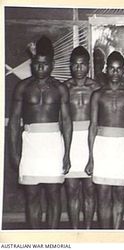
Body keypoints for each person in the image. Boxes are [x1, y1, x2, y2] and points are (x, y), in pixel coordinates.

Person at [8, 35, 72, 229]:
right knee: (32, 195)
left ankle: (52, 237)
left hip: (53, 144)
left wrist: (67, 154)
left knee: (54, 193)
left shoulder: (60, 88)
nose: (40, 68)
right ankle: (35, 238)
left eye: (44, 64)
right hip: (30, 145)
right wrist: (13, 152)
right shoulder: (23, 87)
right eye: (37, 64)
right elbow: (13, 123)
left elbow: (67, 122)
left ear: (51, 65)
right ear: (32, 63)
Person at [85, 51, 124, 229]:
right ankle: (105, 237)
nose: (115, 73)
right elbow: (92, 126)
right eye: (112, 69)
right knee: (103, 195)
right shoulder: (97, 95)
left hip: (122, 148)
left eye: (118, 70)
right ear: (106, 70)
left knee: (119, 195)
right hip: (103, 147)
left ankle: (116, 235)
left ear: (123, 71)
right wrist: (91, 158)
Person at [63, 46, 100, 229]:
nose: (79, 69)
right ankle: (75, 231)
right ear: (71, 66)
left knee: (90, 189)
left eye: (82, 65)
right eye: (75, 65)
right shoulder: (64, 88)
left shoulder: (96, 88)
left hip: (90, 139)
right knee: (71, 189)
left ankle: (87, 231)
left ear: (88, 65)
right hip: (69, 140)